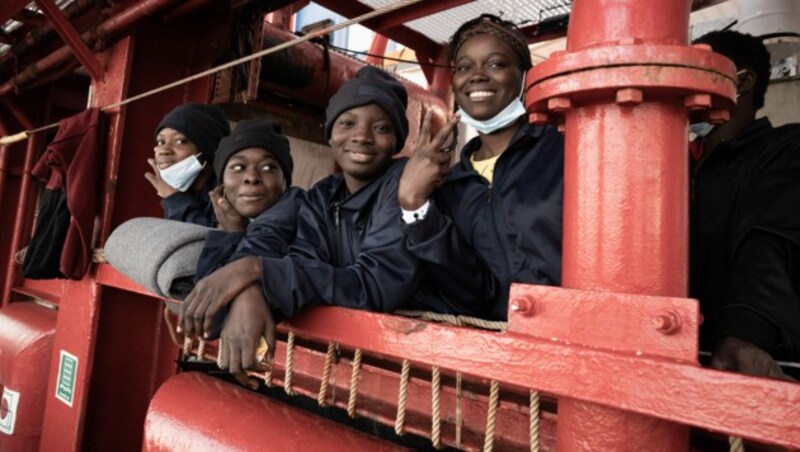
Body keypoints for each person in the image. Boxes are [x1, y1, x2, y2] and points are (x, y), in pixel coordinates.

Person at [181, 67, 464, 375]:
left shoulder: (403, 184)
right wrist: (251, 289)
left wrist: (255, 269)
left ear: (397, 141)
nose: (362, 136)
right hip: (357, 359)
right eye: (347, 123)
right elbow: (303, 261)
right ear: (330, 133)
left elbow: (373, 286)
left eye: (381, 128)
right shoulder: (322, 196)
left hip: (426, 360)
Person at [398, 14, 565, 320]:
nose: (476, 76)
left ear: (525, 78)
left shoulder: (563, 151)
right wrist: (415, 206)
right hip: (491, 353)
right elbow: (470, 293)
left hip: (574, 343)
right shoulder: (451, 184)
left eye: (496, 64)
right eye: (463, 68)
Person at [690, 30, 800, 380]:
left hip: (745, 359)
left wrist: (746, 331)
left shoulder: (786, 149)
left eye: (697, 69)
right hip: (674, 351)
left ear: (744, 80)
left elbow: (770, 240)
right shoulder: (678, 163)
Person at [194, 118, 301, 281]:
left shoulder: (298, 211)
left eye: (267, 167)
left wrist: (235, 233)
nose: (252, 177)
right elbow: (206, 289)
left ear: (284, 181)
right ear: (221, 183)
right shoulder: (223, 224)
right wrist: (233, 233)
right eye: (238, 168)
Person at [145, 102, 230, 227]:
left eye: (180, 141)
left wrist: (174, 198)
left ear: (207, 149)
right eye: (160, 142)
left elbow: (202, 241)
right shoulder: (185, 192)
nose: (163, 150)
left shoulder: (230, 195)